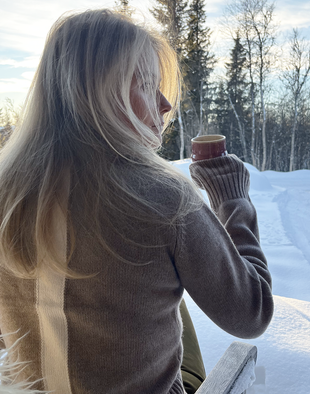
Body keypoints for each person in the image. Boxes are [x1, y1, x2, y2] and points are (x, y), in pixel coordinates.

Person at [0, 9, 274, 394]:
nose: (164, 104)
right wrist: (233, 201)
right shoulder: (163, 199)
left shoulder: (7, 194)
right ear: (98, 94)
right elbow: (252, 313)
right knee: (173, 290)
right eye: (146, 84)